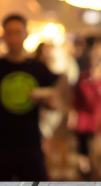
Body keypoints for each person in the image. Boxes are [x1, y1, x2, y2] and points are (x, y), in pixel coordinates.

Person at [0, 15, 57, 181]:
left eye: (17, 32)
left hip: (30, 145)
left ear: (26, 34)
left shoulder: (38, 68)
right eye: (9, 33)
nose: (13, 37)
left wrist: (46, 100)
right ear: (3, 36)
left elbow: (54, 104)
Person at [68, 43, 101, 177]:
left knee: (100, 151)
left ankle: (98, 171)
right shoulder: (83, 77)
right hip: (84, 119)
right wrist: (73, 115)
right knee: (84, 147)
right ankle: (87, 172)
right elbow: (76, 99)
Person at [35, 43, 71, 180]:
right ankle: (49, 172)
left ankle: (60, 171)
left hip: (56, 110)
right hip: (47, 111)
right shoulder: (40, 70)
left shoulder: (56, 69)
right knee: (47, 142)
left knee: (58, 141)